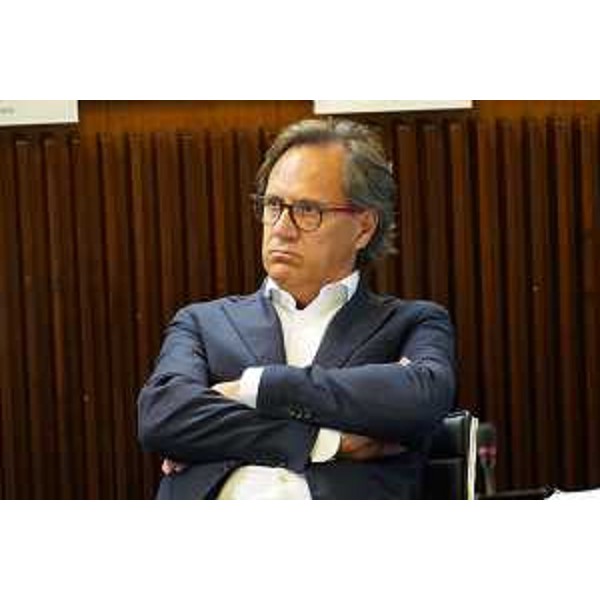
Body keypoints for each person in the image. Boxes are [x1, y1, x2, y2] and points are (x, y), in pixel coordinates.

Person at [137, 118, 456, 499]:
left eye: (307, 210)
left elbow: (422, 398)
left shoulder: (411, 323)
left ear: (363, 227)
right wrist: (325, 441)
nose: (281, 228)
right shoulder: (202, 323)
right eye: (273, 205)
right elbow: (162, 416)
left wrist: (254, 387)